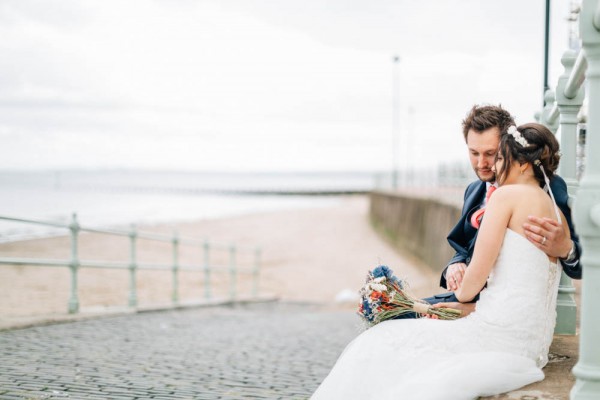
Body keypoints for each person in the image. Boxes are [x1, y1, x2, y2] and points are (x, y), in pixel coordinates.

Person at [311, 122, 568, 399]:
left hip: (496, 337)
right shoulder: (556, 212)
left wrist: (459, 298)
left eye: (501, 158)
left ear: (523, 165)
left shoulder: (506, 197)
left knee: (378, 341)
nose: (494, 167)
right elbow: (523, 293)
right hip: (532, 346)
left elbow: (472, 285)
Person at [425, 105, 581, 317]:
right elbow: (465, 246)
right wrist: (456, 264)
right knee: (393, 314)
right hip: (473, 303)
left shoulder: (549, 189)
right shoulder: (474, 190)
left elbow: (582, 262)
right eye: (474, 153)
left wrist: (566, 249)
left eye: (492, 154)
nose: (483, 164)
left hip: (506, 312)